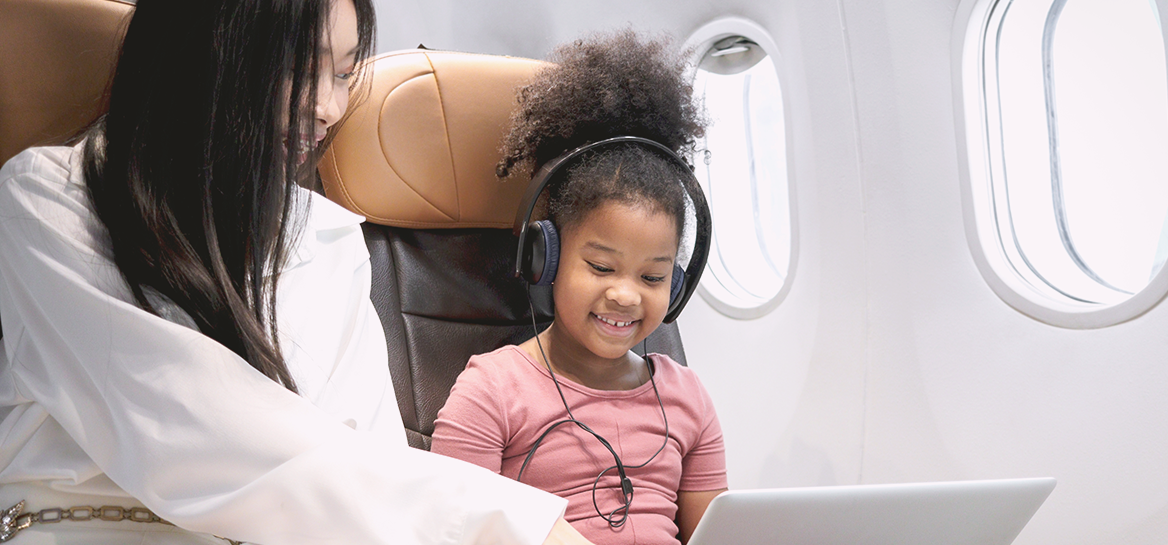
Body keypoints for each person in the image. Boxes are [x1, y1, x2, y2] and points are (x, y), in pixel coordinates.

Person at [0, 0, 594, 543]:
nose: (327, 107)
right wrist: (516, 529)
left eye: (342, 74)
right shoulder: (47, 201)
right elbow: (213, 442)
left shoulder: (327, 237)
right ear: (202, 53)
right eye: (297, 68)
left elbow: (368, 457)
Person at [430, 31, 728, 545]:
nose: (627, 295)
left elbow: (718, 537)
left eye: (653, 277)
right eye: (601, 266)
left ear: (677, 284)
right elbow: (447, 528)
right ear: (546, 259)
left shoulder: (688, 397)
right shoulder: (492, 392)